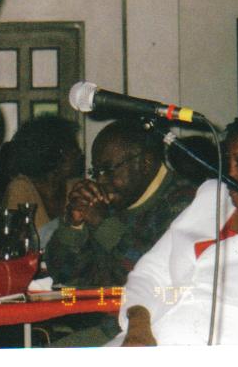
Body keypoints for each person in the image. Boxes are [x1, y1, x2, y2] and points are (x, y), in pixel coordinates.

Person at [115, 116, 238, 345]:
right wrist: (138, 326)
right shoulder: (211, 196)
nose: (229, 174)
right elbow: (149, 273)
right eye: (228, 161)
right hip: (143, 337)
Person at [44, 118, 197, 346]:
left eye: (108, 169)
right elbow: (64, 276)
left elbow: (150, 275)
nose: (100, 180)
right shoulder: (112, 200)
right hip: (95, 320)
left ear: (145, 163)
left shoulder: (185, 201)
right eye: (96, 171)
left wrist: (102, 223)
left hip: (146, 329)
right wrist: (73, 224)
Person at [0, 115, 84, 248]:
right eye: (73, 147)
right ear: (55, 153)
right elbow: (14, 243)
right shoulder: (21, 188)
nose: (79, 152)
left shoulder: (76, 186)